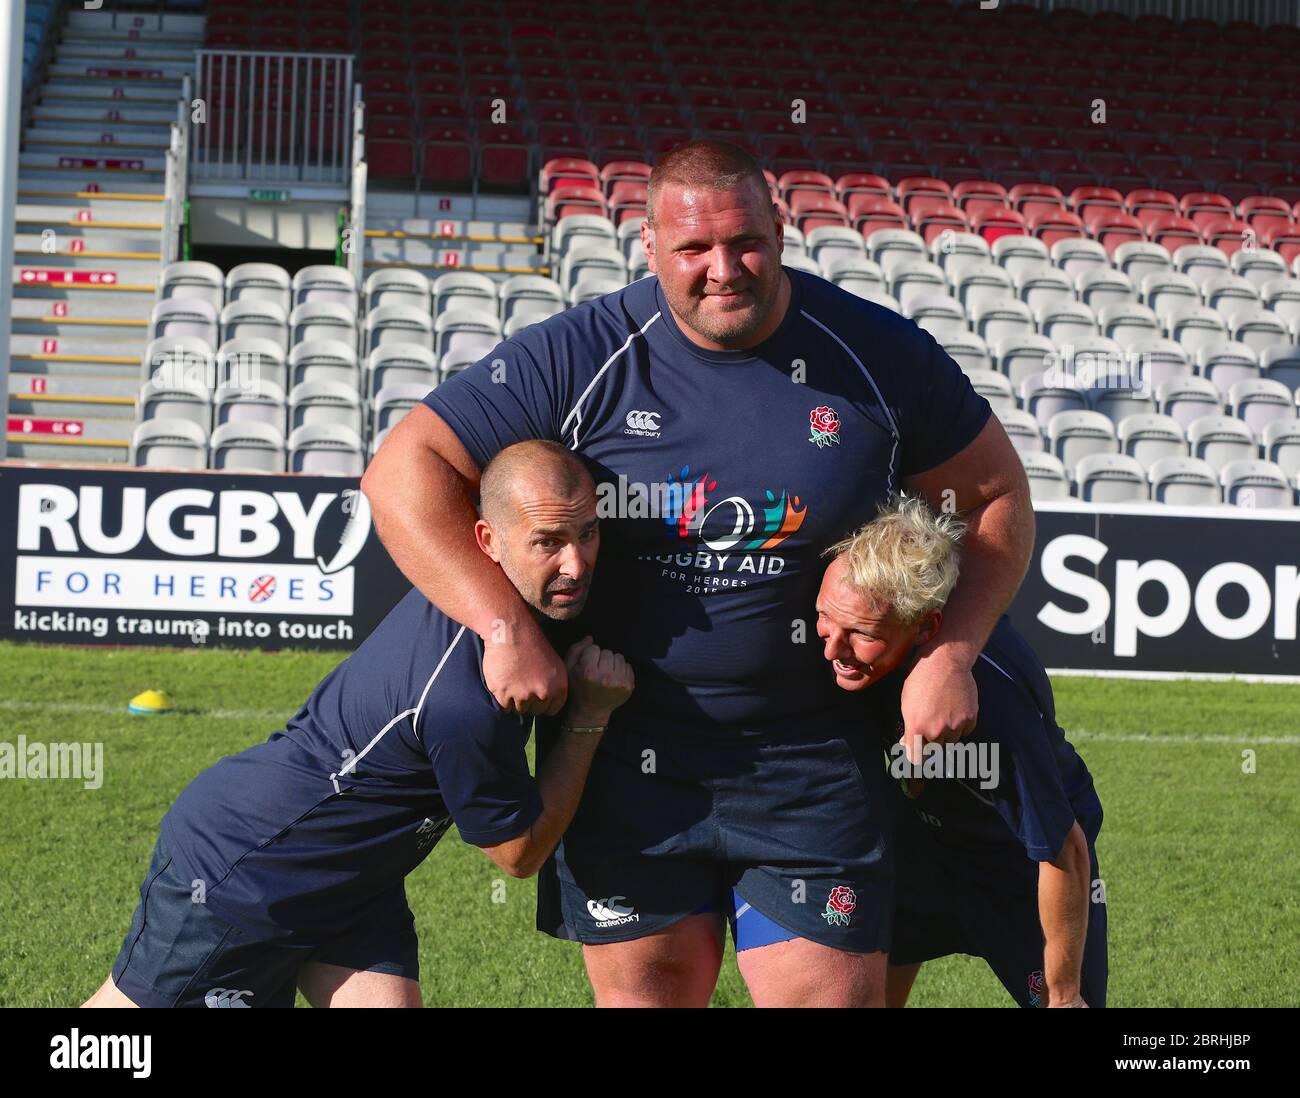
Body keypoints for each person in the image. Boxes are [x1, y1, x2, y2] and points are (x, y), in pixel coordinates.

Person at [360, 139, 1034, 1007]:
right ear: (650, 248)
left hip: (813, 762)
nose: (724, 269)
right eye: (693, 250)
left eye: (745, 241)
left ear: (780, 230)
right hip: (625, 758)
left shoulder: (874, 355)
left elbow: (995, 495)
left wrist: (951, 654)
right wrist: (503, 626)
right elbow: (402, 469)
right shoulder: (581, 356)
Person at [83, 441, 633, 1008]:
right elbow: (519, 854)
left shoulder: (474, 591)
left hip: (354, 882)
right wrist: (589, 716)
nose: (576, 563)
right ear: (488, 542)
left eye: (586, 534)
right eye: (548, 542)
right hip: (246, 874)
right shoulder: (462, 699)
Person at [813, 495, 1107, 1008]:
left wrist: (1064, 996)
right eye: (824, 621)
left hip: (1017, 867)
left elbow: (1065, 849)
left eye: (861, 635)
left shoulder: (992, 705)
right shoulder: (857, 645)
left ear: (926, 628)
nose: (831, 649)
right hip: (921, 850)